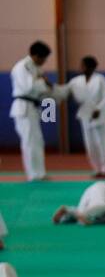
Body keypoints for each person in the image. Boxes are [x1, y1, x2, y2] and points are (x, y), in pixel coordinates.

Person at [9, 41, 56, 181]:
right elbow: (29, 87)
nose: (44, 61)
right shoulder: (22, 67)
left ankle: (40, 173)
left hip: (33, 107)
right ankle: (33, 175)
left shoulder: (36, 69)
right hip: (23, 107)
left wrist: (43, 83)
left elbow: (46, 88)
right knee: (29, 141)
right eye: (43, 58)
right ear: (35, 55)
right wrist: (43, 82)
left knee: (38, 141)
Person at [65, 56, 105, 178]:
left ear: (91, 67)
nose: (81, 68)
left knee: (102, 144)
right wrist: (50, 89)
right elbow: (64, 91)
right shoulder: (76, 81)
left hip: (100, 117)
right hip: (85, 116)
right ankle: (97, 169)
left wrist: (99, 109)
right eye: (81, 65)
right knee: (90, 145)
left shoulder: (101, 80)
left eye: (83, 65)